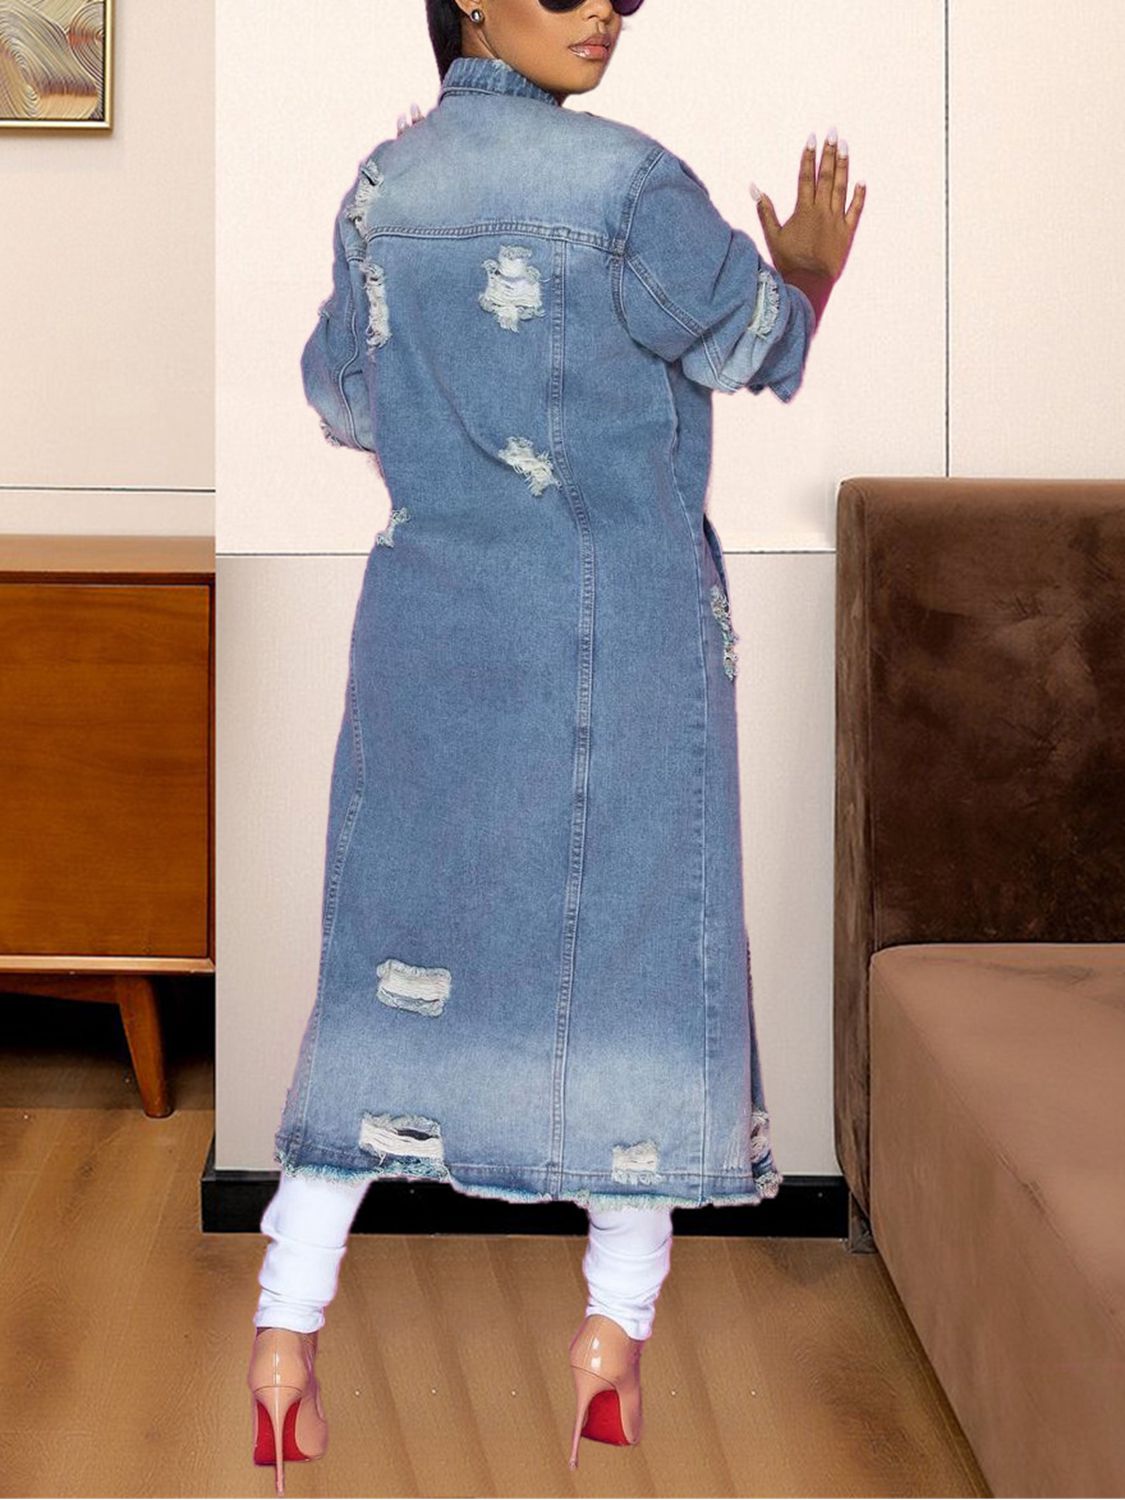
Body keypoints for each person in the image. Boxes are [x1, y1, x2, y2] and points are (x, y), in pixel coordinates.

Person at [247, 0, 865, 1490]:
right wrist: (807, 272)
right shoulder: (631, 184)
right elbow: (757, 345)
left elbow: (342, 397)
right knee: (630, 962)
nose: (604, 8)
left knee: (386, 967)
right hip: (622, 643)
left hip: (430, 637)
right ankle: (611, 1340)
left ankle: (282, 1337)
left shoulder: (381, 188)